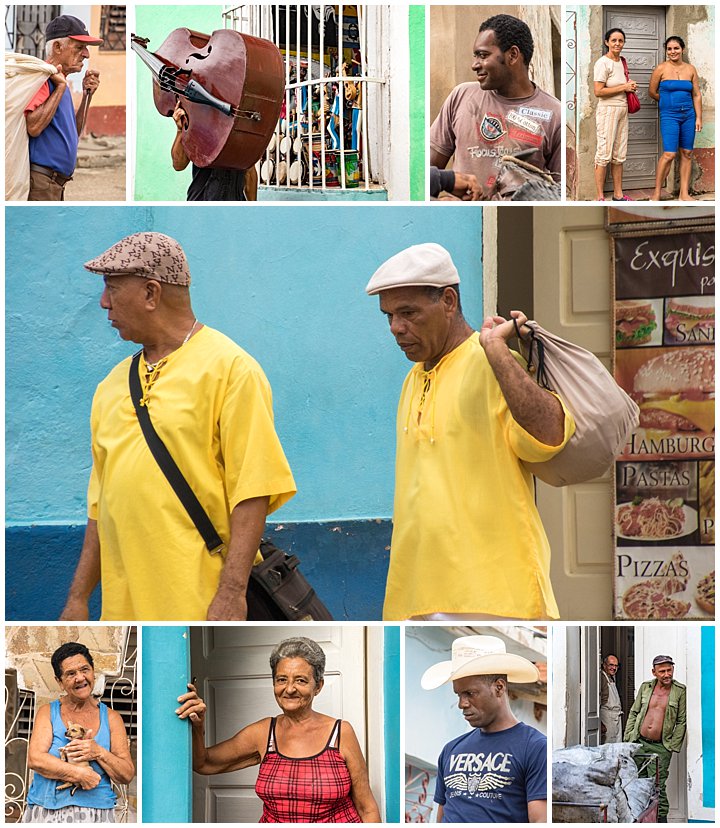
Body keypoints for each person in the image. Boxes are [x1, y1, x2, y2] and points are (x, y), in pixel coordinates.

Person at [59, 232, 296, 622]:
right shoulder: (111, 386)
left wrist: (232, 591)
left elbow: (253, 491)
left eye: (112, 288)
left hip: (199, 602)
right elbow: (100, 506)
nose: (103, 303)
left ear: (151, 293)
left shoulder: (231, 370)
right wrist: (78, 599)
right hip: (123, 607)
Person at [366, 243, 575, 621]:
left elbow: (550, 436)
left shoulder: (494, 363)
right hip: (415, 598)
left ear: (448, 300)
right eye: (389, 316)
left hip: (495, 599)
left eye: (408, 312)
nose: (396, 327)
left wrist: (496, 350)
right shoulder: (413, 379)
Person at [175, 637, 381, 823]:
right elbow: (203, 763)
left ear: (318, 686)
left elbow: (367, 808)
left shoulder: (340, 733)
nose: (289, 689)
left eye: (300, 680)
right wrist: (198, 725)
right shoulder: (263, 733)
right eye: (282, 679)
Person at [430, 14, 561, 200]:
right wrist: (441, 203)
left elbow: (562, 193)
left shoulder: (554, 114)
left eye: (483, 55)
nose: (474, 65)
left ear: (513, 55)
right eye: (475, 56)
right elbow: (422, 175)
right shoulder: (461, 97)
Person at [421, 635, 546, 823]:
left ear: (499, 687)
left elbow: (540, 821)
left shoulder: (535, 747)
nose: (462, 704)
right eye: (459, 694)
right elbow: (441, 817)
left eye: (470, 693)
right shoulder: (450, 750)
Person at [23, 642, 134, 823]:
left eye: (85, 669)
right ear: (59, 681)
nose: (80, 678)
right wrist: (79, 774)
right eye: (70, 674)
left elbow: (126, 774)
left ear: (93, 672)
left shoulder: (112, 718)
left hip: (97, 814)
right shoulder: (47, 713)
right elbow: (35, 759)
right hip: (47, 811)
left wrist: (97, 752)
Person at [24, 15, 102, 201]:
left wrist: (86, 95)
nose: (86, 54)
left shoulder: (61, 82)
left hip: (55, 183)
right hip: (42, 182)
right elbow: (33, 127)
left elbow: (73, 134)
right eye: (79, 47)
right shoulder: (45, 79)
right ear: (58, 47)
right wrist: (59, 88)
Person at [624, 655, 687, 823]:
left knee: (657, 788)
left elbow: (681, 721)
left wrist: (671, 746)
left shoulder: (680, 691)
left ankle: (661, 821)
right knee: (638, 785)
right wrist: (628, 737)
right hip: (639, 743)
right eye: (662, 671)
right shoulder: (646, 688)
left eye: (669, 670)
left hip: (661, 747)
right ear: (654, 672)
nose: (667, 674)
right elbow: (634, 712)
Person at [649, 36, 703, 201]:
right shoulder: (661, 69)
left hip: (688, 115)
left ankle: (684, 194)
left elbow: (696, 94)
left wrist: (698, 117)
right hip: (669, 116)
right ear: (667, 51)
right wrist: (667, 103)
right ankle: (657, 193)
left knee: (687, 152)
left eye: (676, 48)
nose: (673, 52)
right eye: (670, 49)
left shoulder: (691, 69)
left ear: (682, 49)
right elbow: (652, 92)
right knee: (669, 154)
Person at [171, 101, 258, 201]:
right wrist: (180, 130)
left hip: (233, 207)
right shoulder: (200, 122)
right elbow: (178, 165)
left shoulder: (241, 127)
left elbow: (249, 172)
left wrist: (253, 209)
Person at [592, 28, 637, 202]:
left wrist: (630, 86)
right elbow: (598, 91)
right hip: (607, 110)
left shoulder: (622, 62)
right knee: (603, 154)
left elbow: (620, 86)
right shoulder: (603, 63)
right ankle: (600, 196)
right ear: (607, 42)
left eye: (620, 40)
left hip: (622, 109)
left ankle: (618, 195)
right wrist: (624, 87)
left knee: (619, 154)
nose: (617, 43)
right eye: (614, 40)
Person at [599, 654, 622, 744]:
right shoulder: (601, 678)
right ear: (604, 665)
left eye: (616, 665)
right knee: (608, 745)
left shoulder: (611, 678)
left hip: (616, 716)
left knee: (617, 745)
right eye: (611, 665)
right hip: (607, 717)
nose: (614, 668)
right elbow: (595, 701)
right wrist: (600, 722)